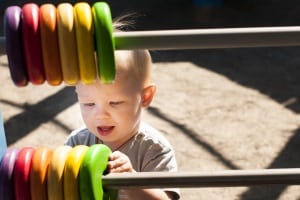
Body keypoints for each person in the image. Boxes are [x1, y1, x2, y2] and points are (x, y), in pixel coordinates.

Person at [64, 48, 180, 199]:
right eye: (89, 104)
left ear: (145, 97)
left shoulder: (154, 149)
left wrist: (131, 180)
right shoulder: (77, 143)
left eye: (115, 102)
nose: (100, 115)